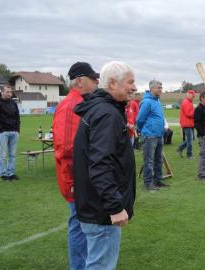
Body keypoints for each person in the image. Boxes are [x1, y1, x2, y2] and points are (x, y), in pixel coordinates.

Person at [73, 61, 137, 270]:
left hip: (95, 205)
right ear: (112, 83)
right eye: (130, 82)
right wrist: (115, 207)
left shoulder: (103, 110)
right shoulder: (107, 113)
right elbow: (100, 164)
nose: (134, 88)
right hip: (102, 211)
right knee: (100, 265)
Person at [52, 62, 99, 270]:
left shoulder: (82, 102)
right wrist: (74, 183)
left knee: (84, 224)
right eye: (93, 79)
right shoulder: (72, 105)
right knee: (79, 225)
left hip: (83, 177)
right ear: (80, 81)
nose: (97, 82)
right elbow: (66, 149)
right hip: (76, 180)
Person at [137, 79, 169, 191]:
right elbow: (140, 119)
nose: (161, 90)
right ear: (151, 89)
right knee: (149, 161)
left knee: (159, 159)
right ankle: (148, 183)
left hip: (159, 135)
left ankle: (158, 180)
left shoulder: (157, 101)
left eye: (161, 88)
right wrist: (144, 131)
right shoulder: (147, 102)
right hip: (150, 136)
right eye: (158, 88)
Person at [0, 85, 20, 181]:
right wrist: (1, 129)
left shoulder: (13, 103)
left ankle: (11, 173)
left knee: (12, 154)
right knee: (2, 155)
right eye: (7, 92)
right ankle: (3, 174)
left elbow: (17, 116)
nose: (9, 94)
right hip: (3, 133)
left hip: (14, 132)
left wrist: (17, 130)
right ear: (2, 92)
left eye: (10, 92)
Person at [176, 90, 196, 159]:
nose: (193, 97)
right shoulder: (186, 103)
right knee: (190, 140)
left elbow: (191, 112)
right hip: (186, 124)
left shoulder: (189, 102)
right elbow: (188, 113)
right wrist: (196, 113)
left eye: (194, 96)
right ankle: (189, 155)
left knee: (191, 138)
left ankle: (180, 148)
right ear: (188, 95)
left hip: (190, 124)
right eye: (192, 96)